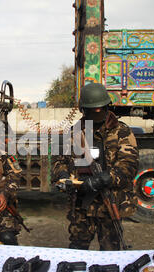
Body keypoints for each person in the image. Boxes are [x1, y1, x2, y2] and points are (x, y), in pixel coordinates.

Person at [52, 82, 139, 250]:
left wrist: (105, 178)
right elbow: (58, 161)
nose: (97, 113)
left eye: (100, 109)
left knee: (110, 253)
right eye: (92, 110)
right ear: (83, 110)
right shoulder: (73, 133)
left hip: (110, 202)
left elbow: (129, 165)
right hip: (82, 206)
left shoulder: (122, 132)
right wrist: (63, 177)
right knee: (77, 250)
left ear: (107, 107)